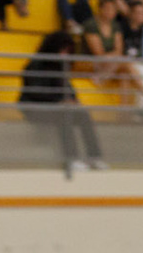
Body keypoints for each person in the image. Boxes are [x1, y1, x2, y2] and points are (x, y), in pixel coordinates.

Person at [19, 31, 104, 172]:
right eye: (62, 50)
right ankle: (71, 158)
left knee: (83, 114)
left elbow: (69, 90)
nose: (64, 54)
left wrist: (73, 101)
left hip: (57, 107)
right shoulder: (35, 65)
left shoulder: (61, 67)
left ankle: (95, 157)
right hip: (35, 108)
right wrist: (59, 102)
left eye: (68, 51)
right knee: (64, 115)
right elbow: (35, 93)